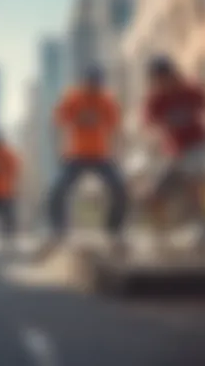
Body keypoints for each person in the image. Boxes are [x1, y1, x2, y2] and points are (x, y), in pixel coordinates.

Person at [37, 65, 128, 261]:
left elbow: (117, 131)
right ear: (84, 82)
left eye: (96, 84)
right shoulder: (73, 99)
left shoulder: (107, 101)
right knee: (57, 189)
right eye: (90, 84)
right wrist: (58, 152)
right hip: (75, 156)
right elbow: (56, 124)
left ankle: (114, 231)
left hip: (101, 156)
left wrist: (117, 155)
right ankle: (58, 230)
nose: (93, 88)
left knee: (119, 187)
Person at [144, 56, 205, 257]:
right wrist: (153, 141)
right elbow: (148, 124)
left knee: (196, 186)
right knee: (154, 194)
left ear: (173, 75)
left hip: (197, 147)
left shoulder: (192, 90)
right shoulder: (156, 99)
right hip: (173, 153)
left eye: (165, 79)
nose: (163, 85)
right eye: (158, 82)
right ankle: (163, 236)